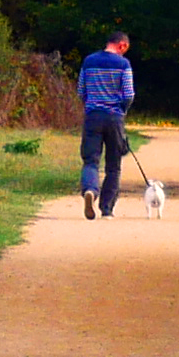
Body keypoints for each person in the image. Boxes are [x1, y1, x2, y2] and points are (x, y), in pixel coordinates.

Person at [73, 31, 136, 219]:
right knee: (113, 165)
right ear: (122, 45)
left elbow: (80, 90)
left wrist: (90, 104)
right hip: (114, 117)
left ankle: (90, 190)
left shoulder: (89, 61)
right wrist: (122, 110)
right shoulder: (123, 64)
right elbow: (129, 94)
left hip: (93, 116)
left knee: (91, 160)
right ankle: (107, 208)